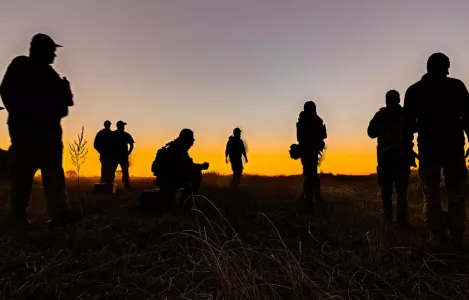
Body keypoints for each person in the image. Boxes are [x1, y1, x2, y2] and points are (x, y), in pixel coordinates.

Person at [0, 33, 80, 226]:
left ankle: (59, 213)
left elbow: (64, 105)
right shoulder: (21, 65)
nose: (54, 55)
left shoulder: (51, 75)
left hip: (50, 132)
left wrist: (65, 91)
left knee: (53, 172)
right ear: (39, 50)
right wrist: (22, 119)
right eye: (51, 51)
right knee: (24, 173)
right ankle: (18, 215)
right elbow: (7, 92)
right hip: (28, 131)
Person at [404, 52, 469, 249]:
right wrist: (407, 148)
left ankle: (445, 235)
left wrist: (407, 148)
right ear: (433, 67)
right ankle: (442, 235)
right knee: (443, 193)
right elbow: (407, 126)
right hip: (442, 149)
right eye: (446, 66)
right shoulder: (454, 87)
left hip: (441, 149)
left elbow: (468, 118)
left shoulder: (416, 90)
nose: (448, 70)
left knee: (439, 193)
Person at [368, 90, 414, 225]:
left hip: (387, 157)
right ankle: (402, 221)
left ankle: (390, 219)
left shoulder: (381, 115)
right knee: (400, 191)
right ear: (398, 99)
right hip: (398, 157)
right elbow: (415, 127)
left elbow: (371, 133)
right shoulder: (404, 113)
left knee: (388, 191)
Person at [151, 129, 209, 200]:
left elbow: (186, 165)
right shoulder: (177, 150)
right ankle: (187, 200)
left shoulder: (175, 148)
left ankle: (186, 199)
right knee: (196, 174)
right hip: (168, 180)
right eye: (190, 141)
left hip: (164, 180)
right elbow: (185, 166)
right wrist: (201, 166)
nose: (191, 144)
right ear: (186, 140)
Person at [296, 101, 327, 205]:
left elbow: (322, 136)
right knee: (310, 175)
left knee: (312, 175)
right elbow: (300, 138)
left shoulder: (316, 120)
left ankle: (313, 198)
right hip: (307, 151)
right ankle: (308, 200)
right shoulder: (304, 122)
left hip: (312, 151)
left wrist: (319, 143)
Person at [110, 120, 134, 189]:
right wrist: (129, 152)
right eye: (123, 126)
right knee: (124, 171)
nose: (123, 127)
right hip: (122, 156)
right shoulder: (126, 134)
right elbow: (131, 145)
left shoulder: (113, 134)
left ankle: (110, 184)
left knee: (113, 170)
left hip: (116, 155)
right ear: (120, 126)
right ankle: (126, 185)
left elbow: (108, 144)